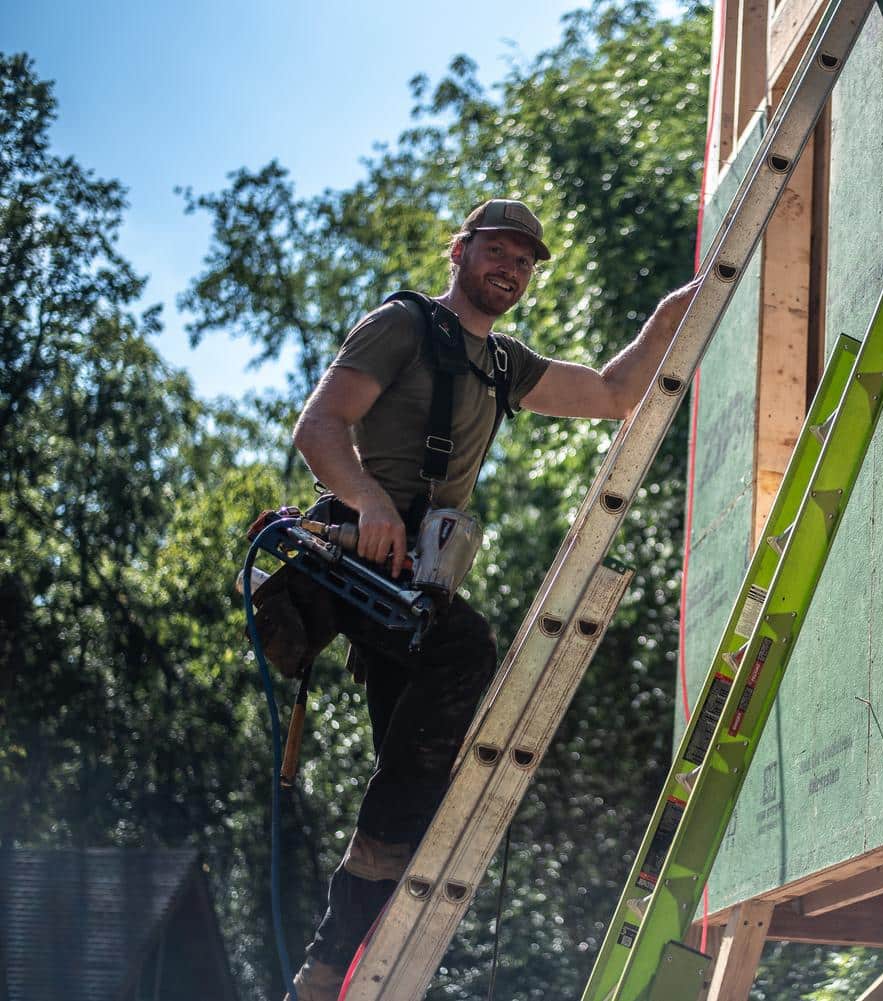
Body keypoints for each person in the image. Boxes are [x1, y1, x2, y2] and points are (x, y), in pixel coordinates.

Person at [272, 198, 698, 999]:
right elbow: (319, 426)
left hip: (413, 585)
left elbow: (613, 393)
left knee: (420, 798)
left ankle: (330, 970)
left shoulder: (504, 365)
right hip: (357, 556)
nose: (511, 268)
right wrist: (365, 500)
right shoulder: (402, 325)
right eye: (497, 251)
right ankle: (353, 918)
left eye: (525, 261)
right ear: (460, 251)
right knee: (466, 646)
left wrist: (678, 307)